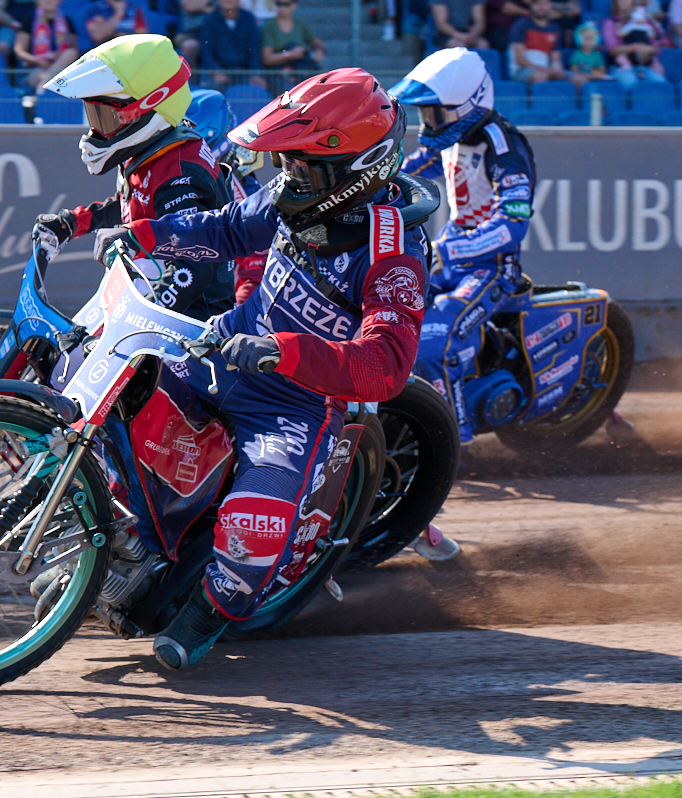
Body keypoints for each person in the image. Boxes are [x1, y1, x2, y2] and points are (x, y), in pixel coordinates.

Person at [99, 68, 433, 670]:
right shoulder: (286, 199)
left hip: (297, 403)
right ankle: (119, 538)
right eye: (283, 163)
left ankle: (207, 615)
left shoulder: (395, 254)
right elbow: (223, 229)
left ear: (354, 170)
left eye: (300, 165)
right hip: (221, 349)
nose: (287, 177)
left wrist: (286, 351)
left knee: (255, 524)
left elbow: (384, 368)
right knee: (112, 392)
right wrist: (128, 231)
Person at [392, 48, 536, 458]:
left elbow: (514, 223)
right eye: (426, 114)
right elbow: (414, 170)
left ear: (468, 105)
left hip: (492, 269)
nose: (429, 124)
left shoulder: (504, 146)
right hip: (449, 258)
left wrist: (456, 248)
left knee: (437, 343)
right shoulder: (454, 136)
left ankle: (451, 447)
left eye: (436, 114)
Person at [32, 34, 235, 321]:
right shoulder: (153, 149)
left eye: (105, 118)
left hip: (188, 322)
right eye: (93, 116)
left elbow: (191, 267)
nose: (95, 131)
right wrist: (72, 222)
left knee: (79, 356)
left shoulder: (180, 171)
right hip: (143, 283)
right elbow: (134, 202)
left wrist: (140, 320)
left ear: (148, 107)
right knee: (67, 349)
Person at [185, 88, 268, 305]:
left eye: (188, 144)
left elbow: (255, 275)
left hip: (211, 313)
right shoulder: (171, 173)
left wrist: (229, 323)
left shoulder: (245, 196)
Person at [199, 0, 268, 89]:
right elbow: (206, 51)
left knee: (259, 88)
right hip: (217, 72)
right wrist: (215, 72)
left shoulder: (249, 18)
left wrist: (255, 74)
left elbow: (254, 49)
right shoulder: (209, 20)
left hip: (243, 72)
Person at [259, 0, 326, 89]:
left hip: (300, 70)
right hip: (278, 74)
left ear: (294, 5)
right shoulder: (269, 26)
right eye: (279, 4)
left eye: (286, 4)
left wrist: (319, 51)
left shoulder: (300, 25)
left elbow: (317, 43)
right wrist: (290, 55)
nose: (282, 8)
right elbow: (267, 59)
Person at [13, 0, 77, 91]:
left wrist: (58, 56)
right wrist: (38, 60)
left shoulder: (67, 21)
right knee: (40, 75)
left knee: (71, 53)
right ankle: (45, 87)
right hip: (36, 69)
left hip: (62, 69)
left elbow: (74, 50)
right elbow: (19, 51)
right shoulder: (29, 19)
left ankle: (43, 87)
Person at [603, 0, 668, 88]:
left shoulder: (643, 21)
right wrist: (635, 48)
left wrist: (648, 49)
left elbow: (655, 45)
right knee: (632, 85)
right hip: (621, 66)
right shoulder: (611, 23)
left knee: (661, 85)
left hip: (644, 65)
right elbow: (612, 49)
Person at [508, 0, 567, 83]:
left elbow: (555, 58)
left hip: (545, 69)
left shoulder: (555, 29)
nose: (541, 7)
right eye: (537, 4)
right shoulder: (520, 25)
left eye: (545, 4)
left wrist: (556, 70)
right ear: (531, 6)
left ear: (550, 6)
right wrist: (543, 69)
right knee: (541, 77)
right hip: (521, 70)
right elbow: (520, 60)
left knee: (578, 79)